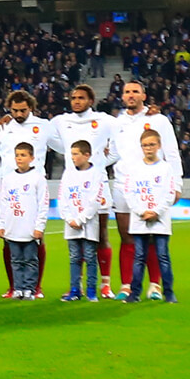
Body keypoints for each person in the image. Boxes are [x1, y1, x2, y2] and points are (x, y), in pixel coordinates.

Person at [109, 81, 177, 301]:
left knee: (152, 237)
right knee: (126, 236)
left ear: (144, 96)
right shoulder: (116, 123)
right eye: (127, 92)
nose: (131, 95)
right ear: (122, 96)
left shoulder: (157, 120)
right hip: (122, 185)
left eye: (135, 92)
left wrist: (177, 185)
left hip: (153, 185)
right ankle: (127, 285)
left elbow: (172, 152)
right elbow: (110, 153)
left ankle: (155, 285)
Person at [53, 84, 117, 298]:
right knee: (75, 244)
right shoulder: (62, 121)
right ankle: (77, 286)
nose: (76, 101)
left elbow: (123, 139)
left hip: (96, 185)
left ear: (91, 100)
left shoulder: (105, 120)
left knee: (101, 236)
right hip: (73, 188)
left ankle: (104, 284)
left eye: (81, 98)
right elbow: (44, 135)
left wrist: (101, 162)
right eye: (73, 98)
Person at [119, 129, 183, 303]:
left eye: (152, 144)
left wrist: (156, 212)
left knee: (163, 256)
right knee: (139, 257)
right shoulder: (134, 168)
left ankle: (169, 293)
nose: (148, 148)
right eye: (145, 145)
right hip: (140, 219)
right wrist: (142, 211)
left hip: (160, 219)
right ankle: (135, 293)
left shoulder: (165, 168)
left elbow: (170, 193)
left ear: (159, 146)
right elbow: (129, 193)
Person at [57, 140, 106, 302]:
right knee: (74, 258)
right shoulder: (68, 173)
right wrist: (69, 218)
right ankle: (74, 290)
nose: (73, 157)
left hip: (88, 224)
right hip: (71, 225)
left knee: (91, 257)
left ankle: (91, 290)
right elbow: (62, 197)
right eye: (71, 154)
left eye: (76, 154)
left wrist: (81, 219)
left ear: (87, 155)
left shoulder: (96, 174)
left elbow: (95, 200)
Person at [0, 143, 48, 300]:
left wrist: (39, 226)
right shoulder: (8, 179)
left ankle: (29, 289)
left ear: (32, 158)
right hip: (13, 227)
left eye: (23, 155)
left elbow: (43, 204)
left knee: (31, 260)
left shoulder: (37, 178)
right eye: (17, 155)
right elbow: (3, 203)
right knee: (16, 260)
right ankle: (18, 288)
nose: (19, 158)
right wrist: (1, 224)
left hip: (30, 228)